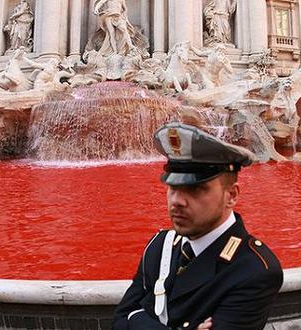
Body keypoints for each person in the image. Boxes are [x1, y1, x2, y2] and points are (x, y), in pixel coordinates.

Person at [113, 123, 283, 330]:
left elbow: (130, 317)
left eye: (194, 189)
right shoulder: (160, 245)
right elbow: (120, 320)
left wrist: (138, 319)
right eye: (173, 187)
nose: (177, 201)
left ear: (231, 195)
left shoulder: (254, 270)